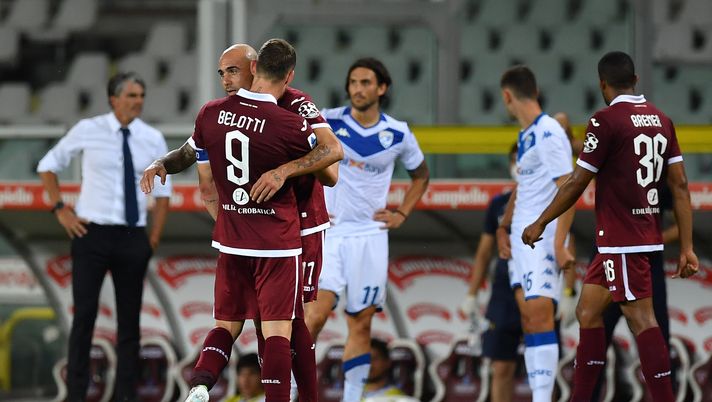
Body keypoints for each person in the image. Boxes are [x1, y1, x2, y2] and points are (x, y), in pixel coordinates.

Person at [140, 43, 342, 402]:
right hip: (268, 234)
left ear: (255, 68)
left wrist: (284, 171)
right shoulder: (232, 113)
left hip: (303, 226)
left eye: (232, 71)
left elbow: (330, 172)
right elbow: (190, 155)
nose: (225, 80)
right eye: (221, 73)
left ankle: (300, 396)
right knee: (280, 324)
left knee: (292, 322)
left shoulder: (296, 104)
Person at [522, 51, 699, 402]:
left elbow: (576, 181)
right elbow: (679, 186)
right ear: (635, 80)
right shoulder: (662, 120)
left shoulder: (605, 120)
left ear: (603, 84)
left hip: (623, 240)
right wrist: (688, 246)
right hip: (627, 239)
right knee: (587, 312)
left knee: (643, 321)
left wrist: (541, 221)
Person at [37, 72, 172, 402]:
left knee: (129, 322)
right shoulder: (88, 129)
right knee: (83, 317)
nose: (138, 101)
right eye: (132, 95)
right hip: (91, 233)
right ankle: (76, 394)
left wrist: (152, 237)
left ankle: (126, 395)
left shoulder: (152, 138)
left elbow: (165, 191)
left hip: (132, 235)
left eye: (141, 95)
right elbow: (47, 164)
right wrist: (60, 209)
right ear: (114, 99)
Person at [305, 57, 430, 402]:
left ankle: (352, 397)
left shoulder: (399, 132)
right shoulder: (326, 120)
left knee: (360, 324)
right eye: (353, 82)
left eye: (365, 83)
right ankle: (288, 392)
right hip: (328, 233)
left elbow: (421, 176)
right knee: (313, 316)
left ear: (381, 88)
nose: (357, 89)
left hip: (370, 236)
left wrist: (402, 213)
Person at [494, 65, 575, 402]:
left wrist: (558, 243)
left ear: (507, 96)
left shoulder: (548, 132)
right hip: (520, 239)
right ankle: (539, 394)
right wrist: (503, 224)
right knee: (529, 318)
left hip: (542, 238)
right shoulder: (527, 135)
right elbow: (523, 186)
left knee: (540, 314)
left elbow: (570, 188)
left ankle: (543, 398)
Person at [460, 144, 522, 402]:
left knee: (542, 363)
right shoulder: (498, 204)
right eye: (514, 160)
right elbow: (485, 251)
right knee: (501, 365)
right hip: (504, 288)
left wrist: (568, 290)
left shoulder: (553, 197)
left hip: (540, 286)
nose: (519, 165)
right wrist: (472, 294)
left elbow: (567, 241)